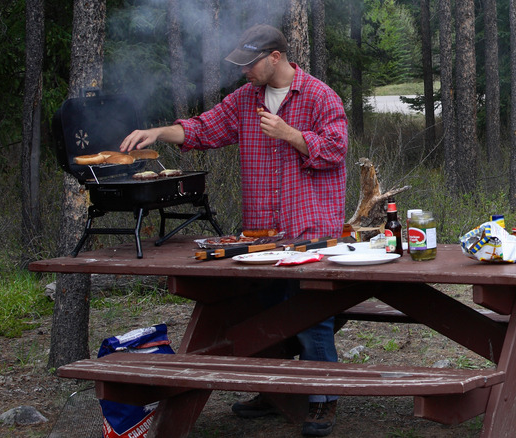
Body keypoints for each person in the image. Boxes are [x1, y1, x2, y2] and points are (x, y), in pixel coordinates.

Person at [120, 24, 347, 437]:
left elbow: (336, 148)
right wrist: (158, 132)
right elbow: (201, 129)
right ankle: (272, 391)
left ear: (275, 57)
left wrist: (291, 134)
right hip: (262, 233)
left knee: (311, 316)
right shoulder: (245, 101)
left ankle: (322, 399)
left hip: (310, 229)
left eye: (250, 63)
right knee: (263, 312)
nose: (244, 72)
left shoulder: (319, 95)